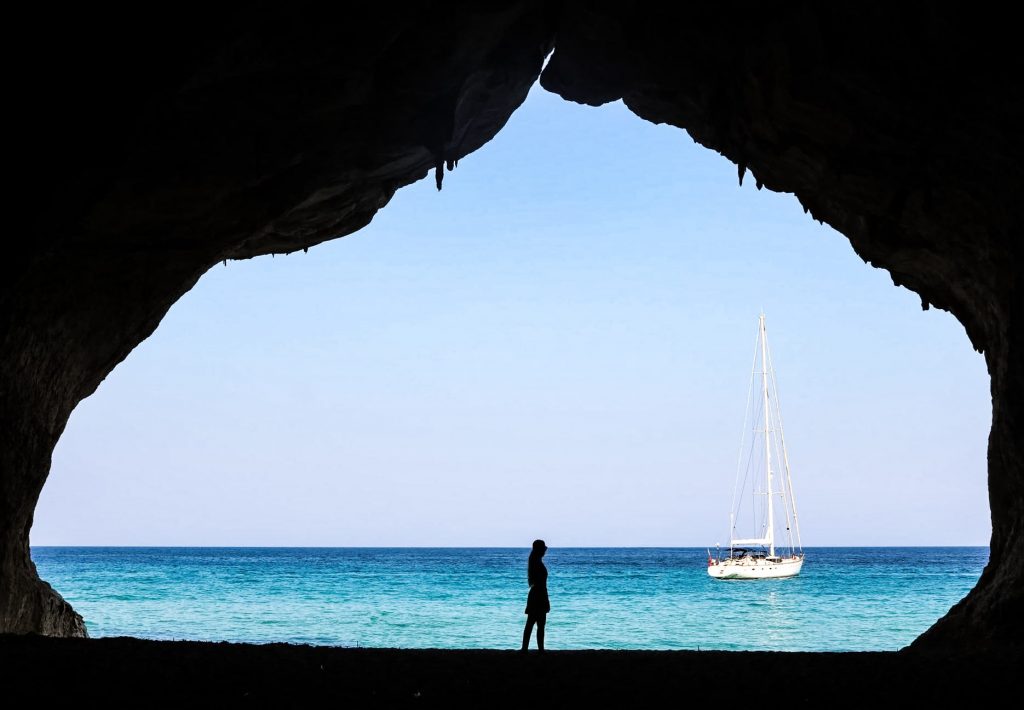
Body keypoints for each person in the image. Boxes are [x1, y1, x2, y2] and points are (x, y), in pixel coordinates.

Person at [520, 539, 549, 652]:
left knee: (532, 623)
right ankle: (538, 649)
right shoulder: (537, 562)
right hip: (539, 594)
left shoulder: (535, 561)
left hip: (537, 593)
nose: (545, 550)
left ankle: (526, 649)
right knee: (538, 623)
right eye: (543, 548)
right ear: (540, 549)